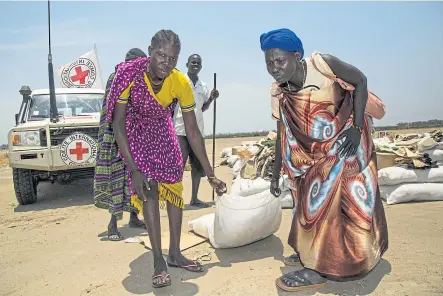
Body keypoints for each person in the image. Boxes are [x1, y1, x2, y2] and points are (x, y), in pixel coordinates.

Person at [260, 28, 389, 292]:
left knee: (343, 206)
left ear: (296, 55)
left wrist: (356, 129)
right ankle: (312, 255)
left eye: (280, 60)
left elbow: (361, 81)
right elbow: (282, 133)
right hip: (312, 156)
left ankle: (321, 268)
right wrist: (276, 174)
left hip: (349, 142)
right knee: (309, 202)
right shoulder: (279, 93)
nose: (274, 67)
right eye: (269, 63)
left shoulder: (323, 65)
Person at [103, 29, 227, 289]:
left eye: (172, 58)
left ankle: (175, 252)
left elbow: (193, 132)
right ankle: (159, 260)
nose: (166, 63)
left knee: (174, 189)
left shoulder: (179, 82)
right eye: (161, 55)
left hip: (163, 131)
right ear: (149, 50)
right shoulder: (129, 75)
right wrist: (134, 169)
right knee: (149, 189)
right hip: (135, 132)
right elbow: (118, 124)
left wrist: (211, 174)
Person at [93, 48, 148, 241]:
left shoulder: (142, 80)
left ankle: (134, 217)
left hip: (136, 138)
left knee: (135, 180)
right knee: (116, 180)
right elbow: (111, 112)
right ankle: (113, 223)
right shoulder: (115, 78)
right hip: (116, 139)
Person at [173, 54, 219, 208]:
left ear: (201, 66)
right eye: (193, 62)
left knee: (197, 166)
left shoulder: (203, 86)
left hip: (198, 130)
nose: (195, 65)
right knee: (179, 165)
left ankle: (194, 198)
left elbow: (203, 108)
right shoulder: (179, 80)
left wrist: (211, 98)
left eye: (198, 63)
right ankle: (175, 198)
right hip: (180, 129)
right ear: (187, 64)